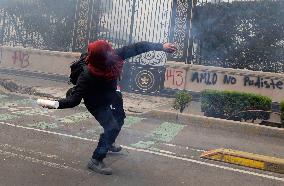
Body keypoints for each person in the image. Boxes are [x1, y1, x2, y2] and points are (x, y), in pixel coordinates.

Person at [39, 40, 177, 175]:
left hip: (110, 94)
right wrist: (53, 104)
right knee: (112, 127)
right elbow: (74, 100)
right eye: (108, 53)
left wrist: (161, 47)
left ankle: (108, 142)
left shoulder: (114, 56)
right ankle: (96, 160)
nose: (112, 54)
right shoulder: (86, 76)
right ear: (101, 59)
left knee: (120, 118)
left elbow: (138, 47)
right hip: (96, 102)